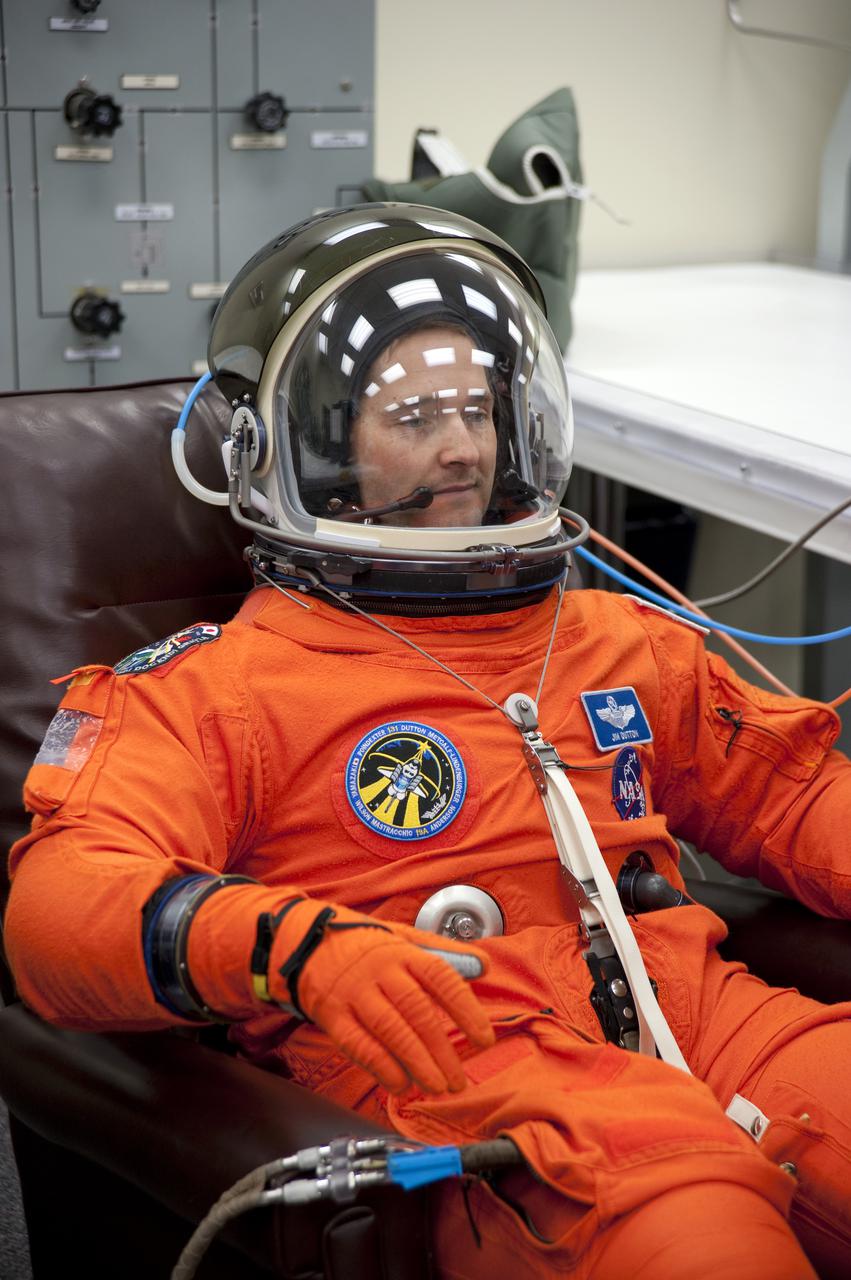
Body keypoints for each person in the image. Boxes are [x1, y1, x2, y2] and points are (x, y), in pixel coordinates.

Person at [5, 204, 851, 1279]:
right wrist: (291, 948)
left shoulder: (611, 641)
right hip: (457, 1062)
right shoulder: (223, 689)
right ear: (309, 447)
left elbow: (792, 802)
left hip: (694, 1009)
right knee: (699, 1234)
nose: (458, 444)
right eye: (409, 416)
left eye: (473, 409)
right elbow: (56, 903)